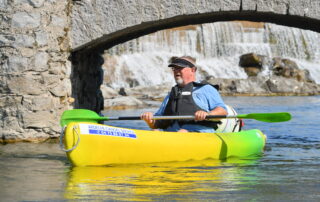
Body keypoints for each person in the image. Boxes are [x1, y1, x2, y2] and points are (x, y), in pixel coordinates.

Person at [141, 56, 227, 133]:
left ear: (193, 70)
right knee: (154, 130)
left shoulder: (206, 89)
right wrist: (149, 119)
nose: (176, 71)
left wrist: (208, 115)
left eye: (180, 68)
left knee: (182, 132)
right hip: (172, 136)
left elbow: (222, 111)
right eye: (174, 69)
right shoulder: (172, 94)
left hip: (197, 133)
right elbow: (156, 123)